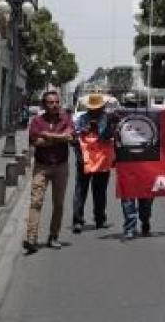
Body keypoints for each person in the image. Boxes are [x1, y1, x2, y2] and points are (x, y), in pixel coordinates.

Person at [23, 91, 74, 254]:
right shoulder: (37, 121)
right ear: (44, 105)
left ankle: (53, 236)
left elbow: (70, 137)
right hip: (42, 166)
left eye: (57, 102)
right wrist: (58, 137)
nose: (55, 105)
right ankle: (31, 238)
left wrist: (48, 135)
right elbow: (36, 142)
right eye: (50, 102)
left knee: (58, 204)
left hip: (61, 166)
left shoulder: (66, 118)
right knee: (36, 202)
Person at [71, 92, 114, 233]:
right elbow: (73, 137)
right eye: (93, 108)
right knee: (81, 190)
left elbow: (110, 137)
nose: (95, 110)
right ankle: (78, 220)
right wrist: (86, 130)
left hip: (102, 161)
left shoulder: (107, 119)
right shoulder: (81, 118)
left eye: (98, 108)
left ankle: (100, 219)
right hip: (85, 159)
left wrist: (108, 127)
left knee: (100, 191)